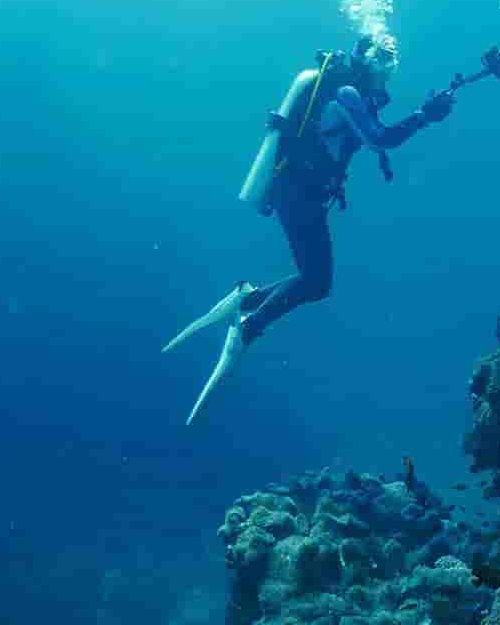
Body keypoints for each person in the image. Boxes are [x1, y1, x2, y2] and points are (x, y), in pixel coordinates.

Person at [166, 34, 456, 424]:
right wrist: (425, 115)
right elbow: (379, 138)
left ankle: (246, 300)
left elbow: (367, 136)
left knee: (316, 281)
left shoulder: (355, 93)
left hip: (304, 194)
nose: (390, 70)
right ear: (366, 60)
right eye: (384, 60)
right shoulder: (349, 92)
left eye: (394, 62)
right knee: (317, 282)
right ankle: (246, 327)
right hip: (298, 194)